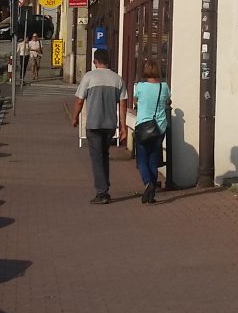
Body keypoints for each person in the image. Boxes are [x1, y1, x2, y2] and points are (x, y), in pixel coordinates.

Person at [72, 49, 125, 203]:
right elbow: (122, 105)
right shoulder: (117, 79)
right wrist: (123, 127)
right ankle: (104, 185)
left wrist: (75, 117)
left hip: (94, 124)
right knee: (104, 155)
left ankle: (102, 192)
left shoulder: (89, 77)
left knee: (97, 157)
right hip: (110, 125)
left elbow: (79, 101)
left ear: (95, 62)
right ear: (108, 61)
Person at [130, 63, 170, 204]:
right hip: (159, 127)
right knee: (153, 159)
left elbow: (135, 100)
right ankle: (151, 195)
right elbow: (168, 99)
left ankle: (148, 183)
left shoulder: (140, 86)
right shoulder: (163, 86)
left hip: (143, 125)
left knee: (142, 159)